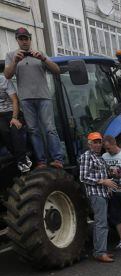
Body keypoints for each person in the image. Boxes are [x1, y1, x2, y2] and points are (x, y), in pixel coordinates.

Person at [4, 27, 64, 169]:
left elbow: (57, 70)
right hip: (25, 99)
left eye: (26, 38)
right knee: (33, 130)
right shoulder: (11, 55)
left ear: (30, 39)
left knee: (50, 128)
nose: (24, 41)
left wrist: (43, 58)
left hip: (44, 97)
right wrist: (15, 61)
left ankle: (58, 160)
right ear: (17, 40)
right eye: (21, 38)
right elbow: (7, 75)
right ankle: (41, 161)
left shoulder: (40, 53)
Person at [79, 133, 114, 263]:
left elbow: (104, 173)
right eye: (95, 142)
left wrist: (111, 173)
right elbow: (83, 177)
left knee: (101, 223)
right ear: (89, 144)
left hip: (103, 194)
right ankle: (100, 252)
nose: (98, 144)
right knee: (101, 223)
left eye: (99, 142)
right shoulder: (87, 157)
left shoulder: (99, 158)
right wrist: (103, 181)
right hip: (96, 194)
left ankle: (100, 250)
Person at [0, 73, 31, 173]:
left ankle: (22, 160)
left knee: (14, 128)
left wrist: (14, 118)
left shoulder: (4, 80)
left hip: (12, 112)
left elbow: (14, 100)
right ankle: (19, 157)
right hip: (1, 116)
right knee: (3, 131)